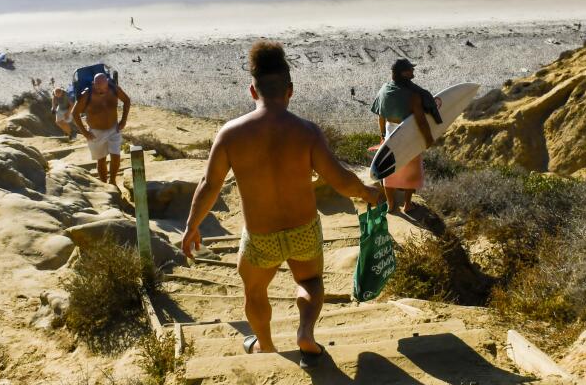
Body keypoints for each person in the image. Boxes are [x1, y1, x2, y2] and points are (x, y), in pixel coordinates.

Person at [182, 41, 382, 368]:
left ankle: (265, 346)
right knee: (310, 282)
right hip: (303, 228)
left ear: (252, 91)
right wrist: (368, 193)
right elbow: (340, 179)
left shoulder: (231, 134)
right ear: (290, 91)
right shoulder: (306, 132)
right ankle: (305, 332)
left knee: (255, 290)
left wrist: (192, 226)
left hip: (260, 236)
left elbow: (209, 185)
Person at [371, 58, 441, 213]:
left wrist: (383, 134)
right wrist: (428, 138)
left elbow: (380, 115)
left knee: (390, 169)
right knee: (412, 170)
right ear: (403, 73)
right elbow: (421, 120)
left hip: (390, 131)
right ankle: (407, 205)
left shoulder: (385, 89)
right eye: (410, 69)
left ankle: (390, 204)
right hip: (409, 132)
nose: (413, 71)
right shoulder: (413, 94)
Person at [71, 73, 131, 188]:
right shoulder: (87, 95)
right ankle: (105, 185)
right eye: (97, 87)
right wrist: (84, 132)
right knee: (101, 159)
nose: (100, 90)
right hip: (95, 132)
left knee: (116, 156)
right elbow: (75, 113)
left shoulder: (114, 89)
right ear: (93, 84)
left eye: (103, 87)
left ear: (107, 83)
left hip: (114, 129)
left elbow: (127, 101)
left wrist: (123, 120)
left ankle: (112, 181)